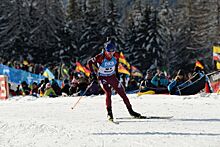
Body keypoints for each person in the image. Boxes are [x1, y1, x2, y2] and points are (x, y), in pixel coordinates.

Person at [88, 41, 142, 121]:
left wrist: (116, 73)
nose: (111, 53)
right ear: (105, 50)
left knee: (122, 93)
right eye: (109, 51)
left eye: (112, 51)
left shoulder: (116, 55)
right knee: (108, 93)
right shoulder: (100, 57)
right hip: (103, 78)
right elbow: (89, 62)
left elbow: (116, 64)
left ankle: (131, 111)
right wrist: (92, 73)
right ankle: (109, 114)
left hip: (112, 77)